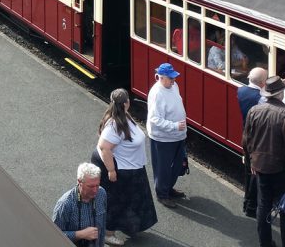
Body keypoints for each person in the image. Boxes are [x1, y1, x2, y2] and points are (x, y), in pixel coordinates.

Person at [242, 76, 285, 247]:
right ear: (281, 94)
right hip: (284, 170)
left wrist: (251, 165)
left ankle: (265, 243)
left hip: (261, 168)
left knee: (263, 205)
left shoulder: (254, 111)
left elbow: (246, 141)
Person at [91, 88, 157, 245]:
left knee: (131, 200)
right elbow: (104, 147)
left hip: (130, 167)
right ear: (127, 103)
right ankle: (108, 233)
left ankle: (128, 226)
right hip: (121, 169)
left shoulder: (121, 116)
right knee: (117, 201)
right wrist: (112, 170)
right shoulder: (115, 125)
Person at [147, 63, 188, 208]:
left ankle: (168, 188)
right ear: (161, 78)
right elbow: (154, 119)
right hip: (163, 138)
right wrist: (174, 126)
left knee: (177, 165)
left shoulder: (173, 86)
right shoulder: (157, 93)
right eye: (170, 78)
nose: (173, 80)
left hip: (178, 136)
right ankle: (162, 194)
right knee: (163, 167)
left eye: (174, 78)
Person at [52, 162, 107, 247]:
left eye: (97, 185)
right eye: (91, 186)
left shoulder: (101, 193)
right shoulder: (65, 204)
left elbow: (102, 226)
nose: (95, 190)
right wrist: (80, 234)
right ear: (79, 182)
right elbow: (54, 235)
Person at [238, 67, 268, 218]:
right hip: (257, 140)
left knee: (248, 171)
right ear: (263, 83)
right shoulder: (261, 99)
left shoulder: (240, 91)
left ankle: (246, 202)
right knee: (255, 174)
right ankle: (250, 207)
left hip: (246, 136)